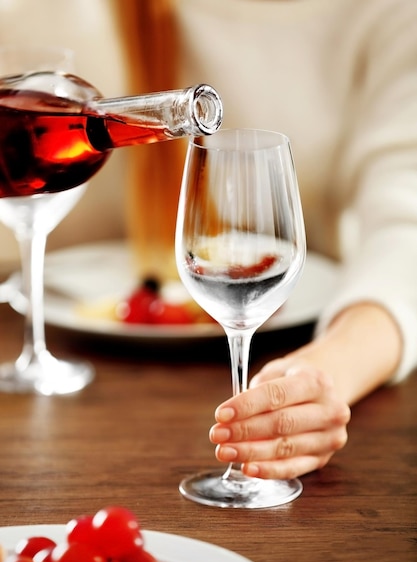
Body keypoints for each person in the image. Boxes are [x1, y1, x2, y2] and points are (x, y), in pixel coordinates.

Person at [1, 0, 416, 480]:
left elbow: (404, 233)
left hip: (303, 340)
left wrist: (325, 375)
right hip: (92, 387)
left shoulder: (388, 12)